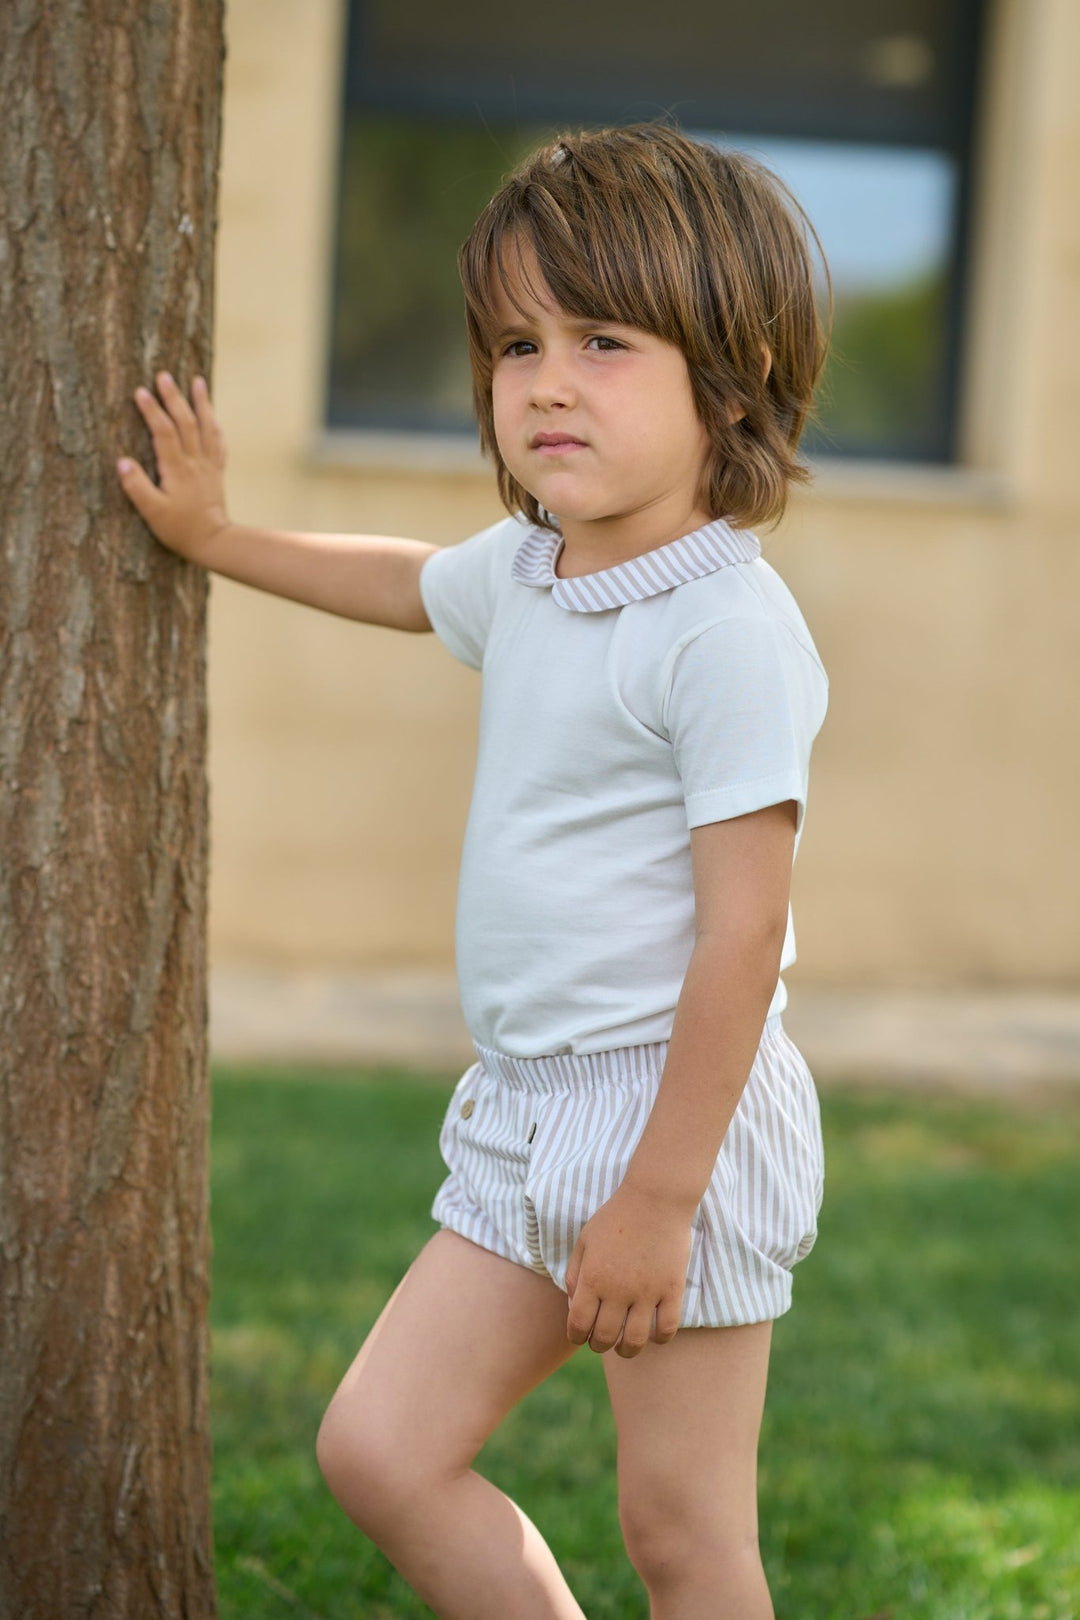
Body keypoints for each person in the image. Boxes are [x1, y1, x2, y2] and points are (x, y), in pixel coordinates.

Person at [117, 121, 830, 1620]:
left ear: (733, 375)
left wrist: (660, 1198)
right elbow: (402, 581)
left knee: (683, 1536)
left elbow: (744, 937)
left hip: (675, 1120)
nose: (548, 382)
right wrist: (217, 537)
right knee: (380, 1451)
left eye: (604, 341)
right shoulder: (528, 573)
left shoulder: (726, 632)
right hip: (522, 1111)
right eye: (517, 344)